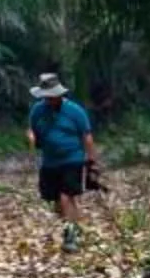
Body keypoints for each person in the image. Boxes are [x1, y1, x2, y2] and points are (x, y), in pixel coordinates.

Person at [27, 73, 98, 250]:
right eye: (47, 97)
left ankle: (70, 236)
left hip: (72, 159)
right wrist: (31, 138)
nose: (50, 100)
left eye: (53, 96)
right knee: (56, 201)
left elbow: (86, 135)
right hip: (50, 162)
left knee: (66, 196)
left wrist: (91, 159)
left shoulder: (74, 111)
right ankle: (74, 225)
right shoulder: (38, 110)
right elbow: (33, 130)